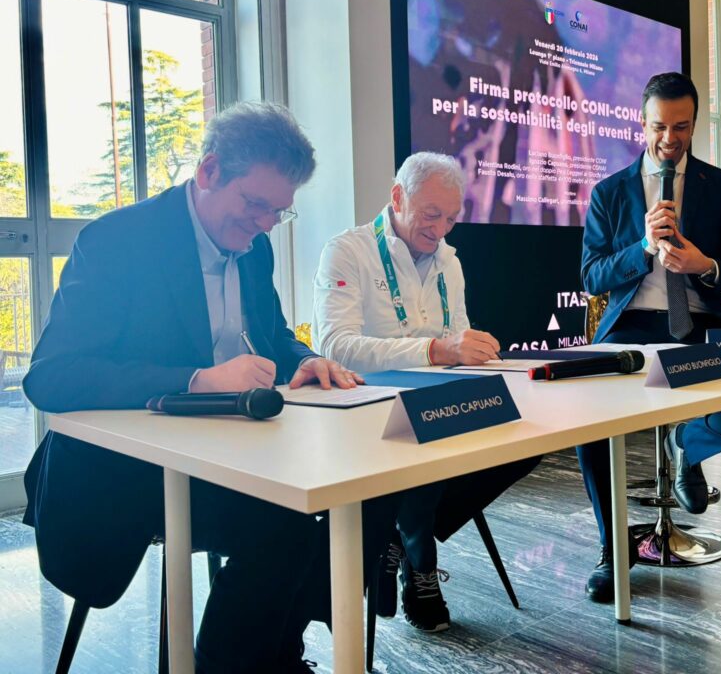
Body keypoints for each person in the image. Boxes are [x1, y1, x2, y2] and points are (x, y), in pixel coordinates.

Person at [22, 102, 366, 673]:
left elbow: (274, 335)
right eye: (255, 204)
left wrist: (308, 360)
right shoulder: (117, 240)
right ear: (209, 171)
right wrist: (195, 381)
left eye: (279, 212)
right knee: (285, 523)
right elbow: (53, 375)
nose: (265, 224)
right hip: (127, 473)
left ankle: (272, 654)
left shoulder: (253, 246)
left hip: (232, 455)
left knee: (345, 504)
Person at [577, 72, 721, 602]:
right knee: (587, 418)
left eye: (682, 127)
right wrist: (643, 248)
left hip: (704, 324)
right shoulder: (609, 192)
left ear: (695, 123)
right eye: (659, 127)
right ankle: (612, 547)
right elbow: (592, 277)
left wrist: (704, 265)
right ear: (641, 122)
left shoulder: (720, 185)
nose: (670, 139)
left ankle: (686, 444)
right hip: (633, 325)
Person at [313, 151, 540, 632]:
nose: (440, 230)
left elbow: (457, 334)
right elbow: (336, 346)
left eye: (451, 219)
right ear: (397, 197)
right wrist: (435, 350)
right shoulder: (347, 251)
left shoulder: (450, 263)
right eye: (431, 215)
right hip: (367, 409)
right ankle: (422, 563)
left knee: (527, 441)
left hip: (438, 402)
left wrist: (474, 350)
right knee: (423, 438)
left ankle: (397, 535)